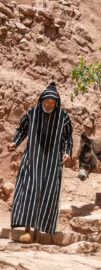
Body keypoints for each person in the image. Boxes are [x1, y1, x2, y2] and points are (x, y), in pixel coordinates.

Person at [7, 82, 73, 243]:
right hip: (32, 159)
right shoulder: (33, 113)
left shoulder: (63, 117)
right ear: (42, 100)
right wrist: (15, 143)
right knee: (30, 190)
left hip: (52, 162)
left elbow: (68, 138)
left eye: (53, 102)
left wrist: (67, 153)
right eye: (47, 101)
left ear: (56, 103)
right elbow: (22, 129)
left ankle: (38, 231)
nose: (50, 105)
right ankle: (27, 230)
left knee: (47, 193)